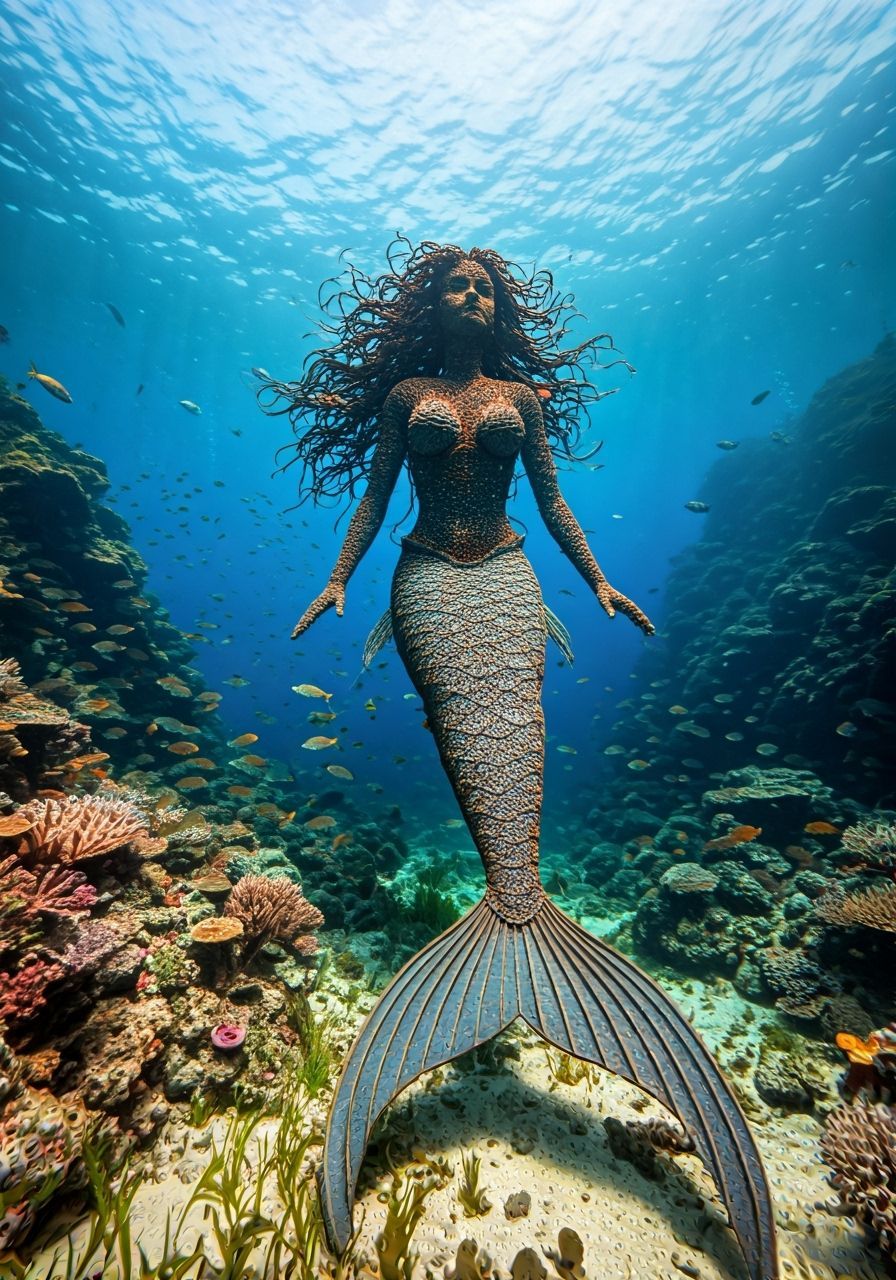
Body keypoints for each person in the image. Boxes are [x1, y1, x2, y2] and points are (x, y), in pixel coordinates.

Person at [259, 241, 777, 1280]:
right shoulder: (404, 391)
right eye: (455, 284)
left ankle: (521, 914)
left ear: (499, 307)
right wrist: (335, 580)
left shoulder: (521, 400)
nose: (471, 296)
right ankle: (496, 942)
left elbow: (549, 501)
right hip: (422, 587)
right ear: (431, 301)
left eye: (484, 287)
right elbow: (370, 496)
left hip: (504, 580)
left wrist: (593, 583)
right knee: (463, 735)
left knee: (517, 747)